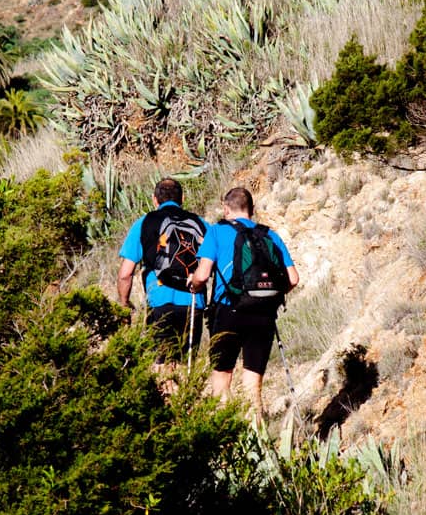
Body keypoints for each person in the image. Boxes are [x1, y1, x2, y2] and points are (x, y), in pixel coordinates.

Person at [188, 186, 298, 421]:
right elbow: (293, 279)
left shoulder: (217, 232)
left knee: (222, 376)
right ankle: (257, 437)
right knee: (253, 381)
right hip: (264, 314)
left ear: (226, 209)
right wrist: (271, 296)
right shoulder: (270, 235)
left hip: (229, 310)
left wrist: (194, 284)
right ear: (252, 209)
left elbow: (203, 274)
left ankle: (228, 436)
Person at [118, 178, 206, 361]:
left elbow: (125, 274)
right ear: (183, 198)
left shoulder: (144, 223)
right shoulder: (201, 224)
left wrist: (124, 305)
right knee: (187, 366)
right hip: (193, 301)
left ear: (154, 199)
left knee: (161, 365)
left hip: (159, 299)